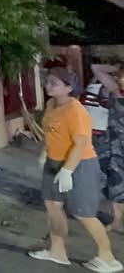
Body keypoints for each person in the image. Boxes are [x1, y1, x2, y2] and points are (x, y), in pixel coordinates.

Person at [29, 68, 121, 273]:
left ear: (69, 88)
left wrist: (68, 171)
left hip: (80, 164)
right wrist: (45, 153)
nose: (48, 86)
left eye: (54, 83)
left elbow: (80, 144)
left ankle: (108, 258)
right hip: (53, 162)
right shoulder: (51, 105)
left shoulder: (76, 111)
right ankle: (57, 251)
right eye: (48, 81)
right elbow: (51, 133)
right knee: (53, 206)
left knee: (83, 213)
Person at [90, 64, 124, 234]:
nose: (121, 80)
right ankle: (117, 221)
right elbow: (95, 68)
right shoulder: (115, 90)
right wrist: (117, 68)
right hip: (113, 144)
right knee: (114, 182)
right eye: (121, 77)